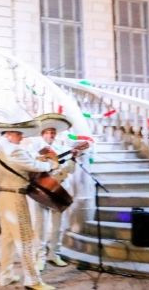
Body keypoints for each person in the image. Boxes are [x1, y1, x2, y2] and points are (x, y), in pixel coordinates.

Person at [0, 117, 57, 290]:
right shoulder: (14, 150)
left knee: (8, 239)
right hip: (15, 197)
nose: (21, 138)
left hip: (2, 195)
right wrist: (52, 161)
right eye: (19, 134)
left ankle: (6, 275)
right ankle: (33, 280)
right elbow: (36, 166)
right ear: (9, 134)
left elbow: (22, 165)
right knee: (25, 239)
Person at [22, 113, 89, 271]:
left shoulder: (63, 149)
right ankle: (40, 257)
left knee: (57, 226)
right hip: (39, 189)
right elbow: (30, 166)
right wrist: (42, 157)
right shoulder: (33, 149)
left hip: (57, 189)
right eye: (48, 132)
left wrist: (72, 158)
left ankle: (54, 254)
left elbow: (70, 170)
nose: (51, 135)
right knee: (39, 226)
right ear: (42, 134)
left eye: (53, 133)